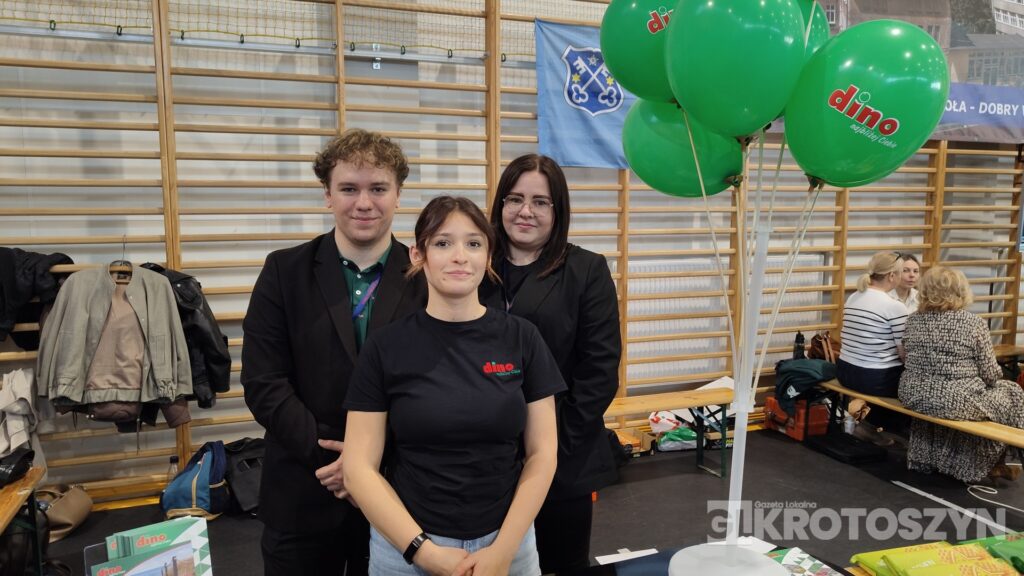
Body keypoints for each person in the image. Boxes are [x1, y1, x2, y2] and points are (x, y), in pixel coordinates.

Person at [343, 196, 564, 576]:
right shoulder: (385, 347)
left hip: (509, 545)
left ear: (488, 256)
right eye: (443, 243)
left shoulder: (522, 338)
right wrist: (423, 552)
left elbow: (543, 454)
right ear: (418, 255)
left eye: (473, 243)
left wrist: (503, 550)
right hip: (406, 552)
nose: (460, 256)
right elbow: (358, 468)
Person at [241, 129, 427, 576]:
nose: (364, 203)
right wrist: (336, 462)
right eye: (348, 189)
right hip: (304, 487)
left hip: (395, 493)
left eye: (378, 188)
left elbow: (433, 386)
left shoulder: (425, 276)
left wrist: (366, 465)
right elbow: (264, 382)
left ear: (398, 195)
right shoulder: (284, 270)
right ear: (328, 195)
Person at [479, 154, 621, 573]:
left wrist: (553, 446)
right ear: (500, 204)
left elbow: (599, 370)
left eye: (540, 202)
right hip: (484, 459)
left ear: (558, 211)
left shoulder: (586, 269)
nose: (525, 211)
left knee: (562, 564)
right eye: (515, 198)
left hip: (564, 457)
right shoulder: (475, 265)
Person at [899, 266, 1024, 483]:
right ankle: (993, 462)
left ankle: (940, 459)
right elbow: (990, 374)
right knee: (1013, 393)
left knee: (977, 399)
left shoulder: (913, 320)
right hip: (953, 399)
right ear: (960, 291)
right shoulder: (973, 323)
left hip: (913, 394)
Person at [838, 251, 909, 444]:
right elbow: (904, 354)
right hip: (873, 379)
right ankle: (883, 428)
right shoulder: (895, 307)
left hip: (845, 372)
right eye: (902, 272)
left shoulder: (854, 297)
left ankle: (870, 426)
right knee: (915, 384)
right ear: (892, 276)